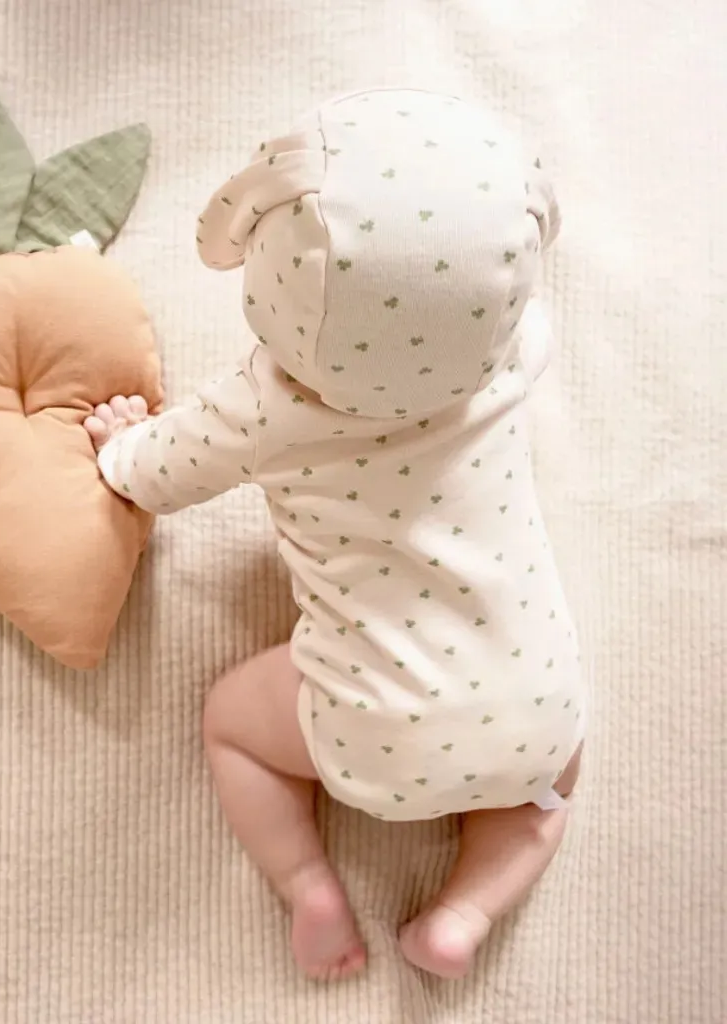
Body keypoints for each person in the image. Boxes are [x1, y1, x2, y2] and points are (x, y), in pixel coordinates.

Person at [84, 88, 585, 982]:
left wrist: (120, 442)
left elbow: (150, 478)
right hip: (534, 716)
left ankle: (309, 885)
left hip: (366, 729)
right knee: (545, 800)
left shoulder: (265, 411)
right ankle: (462, 917)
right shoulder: (513, 356)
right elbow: (522, 317)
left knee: (234, 724)